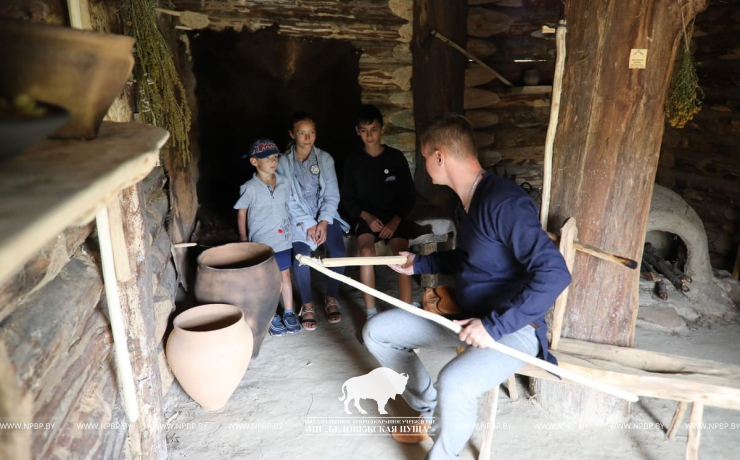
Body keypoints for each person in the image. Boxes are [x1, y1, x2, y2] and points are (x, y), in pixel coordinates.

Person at [362, 113, 572, 460]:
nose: (424, 163)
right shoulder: (465, 203)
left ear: (440, 157)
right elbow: (471, 260)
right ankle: (424, 405)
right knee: (377, 331)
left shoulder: (503, 202)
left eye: (425, 156)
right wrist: (420, 262)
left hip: (511, 328)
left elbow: (555, 273)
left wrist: (493, 326)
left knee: (455, 382)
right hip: (465, 316)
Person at [341, 104, 416, 319]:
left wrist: (395, 221)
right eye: (363, 130)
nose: (369, 135)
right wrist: (365, 216)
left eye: (373, 129)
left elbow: (409, 195)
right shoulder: (352, 161)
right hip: (367, 217)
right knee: (366, 254)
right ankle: (371, 313)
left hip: (394, 217)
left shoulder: (395, 158)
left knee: (402, 256)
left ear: (382, 129)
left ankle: (406, 312)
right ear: (357, 131)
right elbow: (347, 198)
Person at [277, 111, 350, 331]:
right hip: (298, 219)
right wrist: (309, 223)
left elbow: (332, 195)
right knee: (302, 257)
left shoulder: (325, 159)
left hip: (325, 216)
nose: (308, 138)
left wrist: (324, 222)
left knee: (339, 254)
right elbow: (287, 198)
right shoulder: (282, 162)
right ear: (292, 134)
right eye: (302, 133)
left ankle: (331, 297)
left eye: (312, 132)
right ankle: (308, 304)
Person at [234, 139, 300, 336]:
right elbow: (241, 212)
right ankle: (271, 316)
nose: (273, 162)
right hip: (261, 242)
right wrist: (244, 237)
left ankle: (289, 312)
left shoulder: (284, 182)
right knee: (266, 281)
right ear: (254, 162)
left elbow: (286, 207)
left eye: (275, 157)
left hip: (282, 239)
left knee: (285, 275)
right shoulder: (249, 187)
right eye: (267, 158)